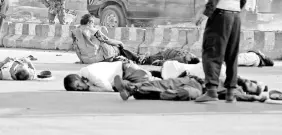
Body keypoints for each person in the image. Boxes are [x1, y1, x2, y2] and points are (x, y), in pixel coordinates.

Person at [194, 0, 247, 103]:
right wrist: (234, 11)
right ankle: (231, 92)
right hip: (235, 16)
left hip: (220, 16)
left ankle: (211, 91)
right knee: (231, 55)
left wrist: (205, 14)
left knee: (212, 51)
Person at [114, 73, 268, 103]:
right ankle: (129, 87)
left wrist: (258, 98)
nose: (251, 83)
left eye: (254, 86)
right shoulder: (232, 76)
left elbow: (244, 97)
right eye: (254, 82)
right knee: (161, 83)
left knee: (168, 93)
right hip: (193, 80)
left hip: (197, 91)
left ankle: (131, 90)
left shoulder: (236, 90)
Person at [71, 14, 142, 64]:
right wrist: (120, 42)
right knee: (118, 47)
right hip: (99, 59)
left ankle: (134, 58)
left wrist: (81, 61)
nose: (93, 24)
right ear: (90, 22)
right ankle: (138, 59)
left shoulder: (74, 33)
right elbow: (108, 41)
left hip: (86, 60)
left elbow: (76, 48)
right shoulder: (94, 31)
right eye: (93, 22)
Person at [63, 60, 157, 92]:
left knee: (153, 83)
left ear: (78, 78)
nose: (80, 89)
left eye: (78, 85)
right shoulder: (84, 76)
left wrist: (90, 88)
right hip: (125, 75)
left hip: (127, 71)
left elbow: (107, 88)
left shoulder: (90, 74)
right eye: (76, 89)